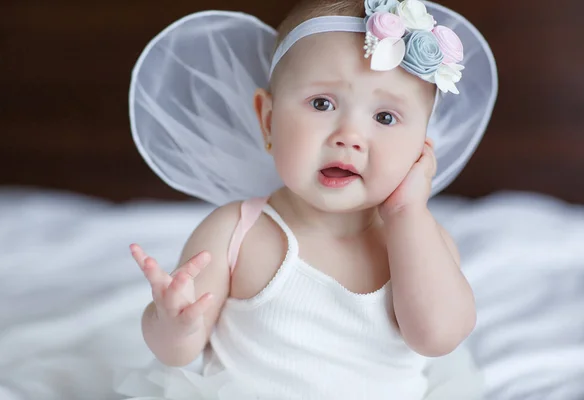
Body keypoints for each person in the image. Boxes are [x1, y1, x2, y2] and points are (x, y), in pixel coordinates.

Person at [115, 0, 498, 398]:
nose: (348, 135)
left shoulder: (422, 242)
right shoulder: (235, 232)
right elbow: (177, 353)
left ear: (421, 147)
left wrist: (406, 213)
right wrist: (174, 324)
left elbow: (438, 338)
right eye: (322, 103)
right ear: (268, 120)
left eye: (385, 117)